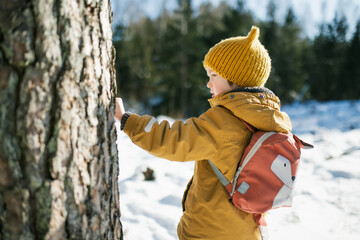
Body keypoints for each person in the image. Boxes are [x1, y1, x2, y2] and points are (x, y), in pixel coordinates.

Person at [115, 26, 292, 240]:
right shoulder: (271, 120)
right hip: (249, 230)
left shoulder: (224, 121)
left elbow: (175, 140)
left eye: (213, 75)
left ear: (234, 79)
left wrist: (127, 120)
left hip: (211, 231)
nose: (208, 83)